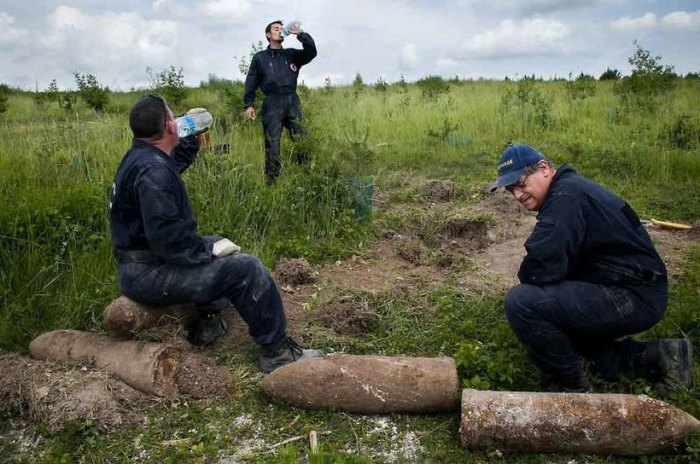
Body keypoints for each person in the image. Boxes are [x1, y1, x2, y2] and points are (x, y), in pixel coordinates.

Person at [109, 94, 322, 373]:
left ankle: (208, 324)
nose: (178, 121)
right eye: (174, 118)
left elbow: (170, 167)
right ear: (170, 127)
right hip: (148, 273)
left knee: (216, 242)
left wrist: (194, 137)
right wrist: (207, 251)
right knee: (246, 268)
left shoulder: (143, 157)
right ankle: (278, 352)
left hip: (141, 265)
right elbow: (170, 242)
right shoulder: (153, 173)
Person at [490, 143, 692, 395]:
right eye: (511, 190)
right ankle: (662, 355)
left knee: (522, 303)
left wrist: (546, 288)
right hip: (633, 287)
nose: (517, 195)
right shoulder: (569, 190)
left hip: (633, 294)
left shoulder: (565, 198)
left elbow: (538, 268)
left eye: (520, 184)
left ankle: (572, 386)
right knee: (557, 324)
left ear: (543, 169)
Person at [243, 20, 317, 185]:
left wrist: (301, 35)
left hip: (292, 101)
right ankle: (272, 183)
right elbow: (251, 80)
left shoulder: (291, 55)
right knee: (272, 144)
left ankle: (306, 178)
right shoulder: (260, 58)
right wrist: (249, 104)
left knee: (302, 139)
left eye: (282, 29)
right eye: (276, 29)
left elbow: (311, 52)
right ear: (268, 35)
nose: (280, 31)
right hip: (272, 103)